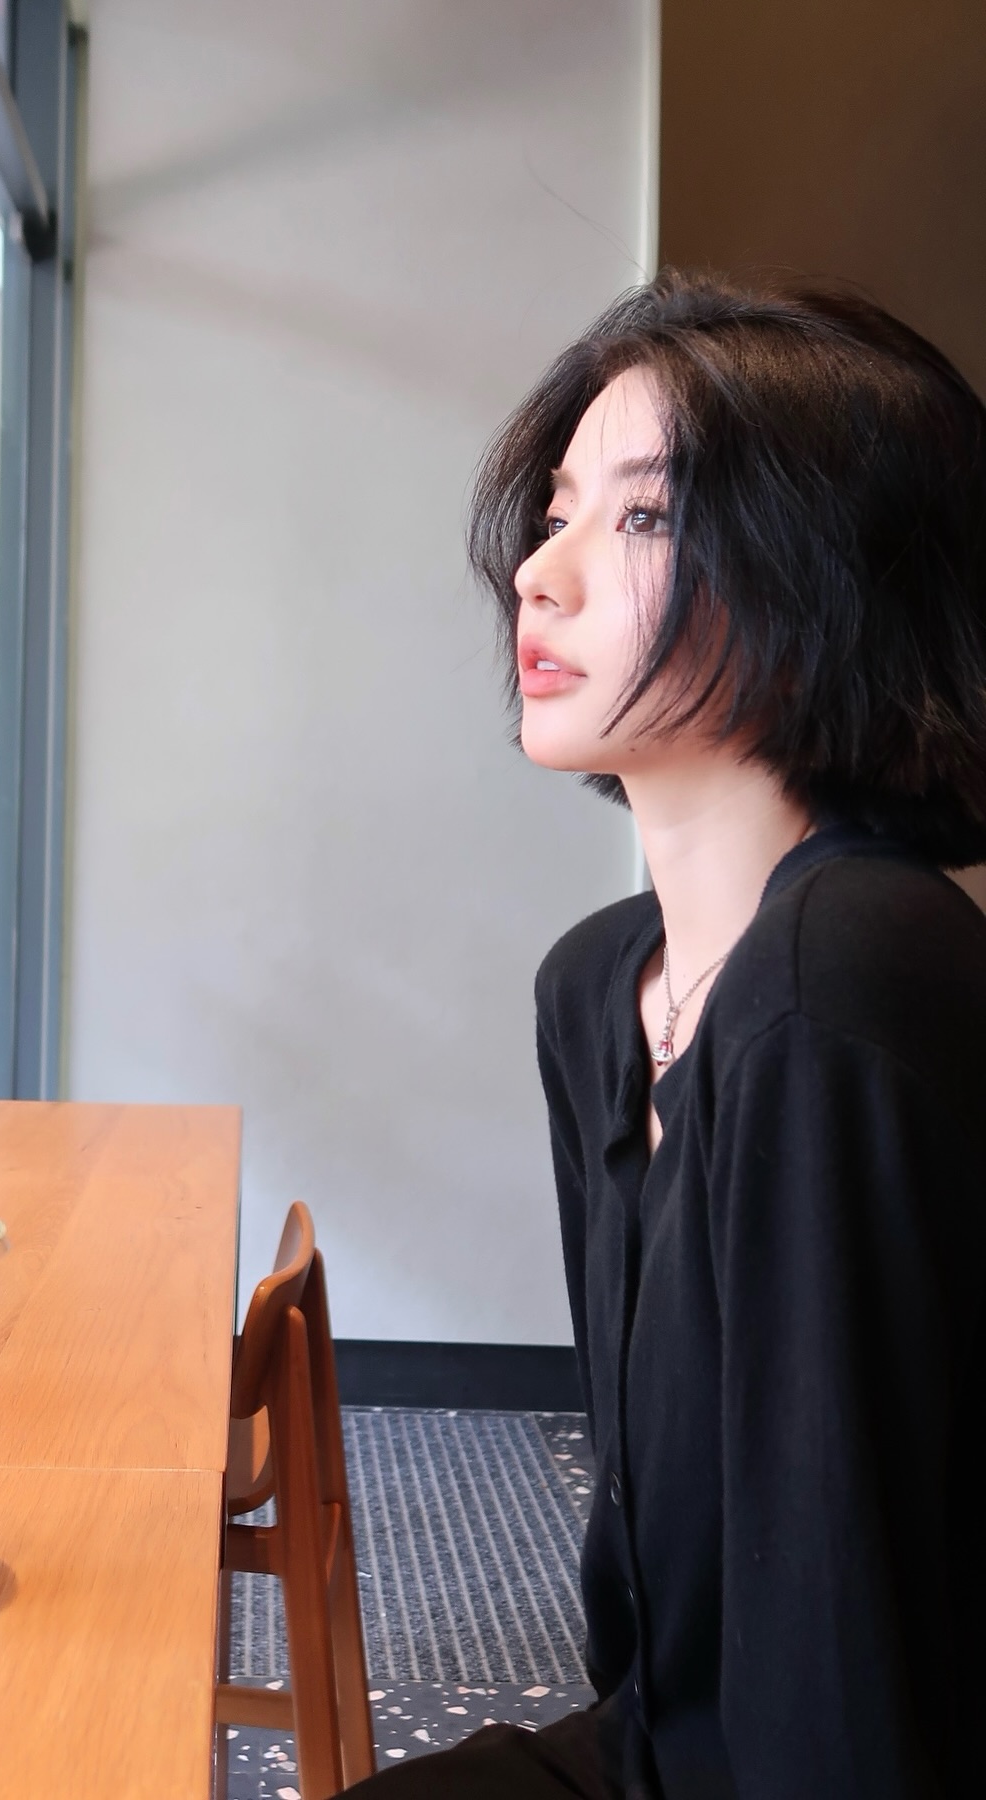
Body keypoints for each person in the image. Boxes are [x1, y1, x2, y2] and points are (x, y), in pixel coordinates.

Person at [344, 271, 986, 1798]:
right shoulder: (600, 989)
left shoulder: (838, 977)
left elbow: (849, 1679)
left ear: (832, 584)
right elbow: (661, 1612)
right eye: (558, 511)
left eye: (642, 517)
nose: (537, 574)